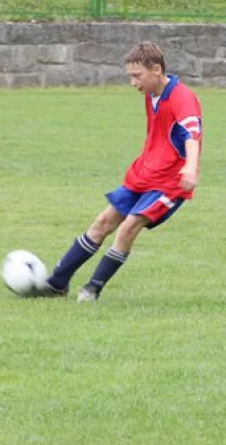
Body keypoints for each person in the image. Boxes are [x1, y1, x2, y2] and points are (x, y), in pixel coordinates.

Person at [40, 41, 202, 302]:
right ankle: (56, 284)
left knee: (129, 226)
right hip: (144, 174)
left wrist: (191, 168)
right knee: (102, 222)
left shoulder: (182, 98)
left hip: (169, 182)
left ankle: (92, 289)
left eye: (137, 76)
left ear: (157, 70)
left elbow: (192, 134)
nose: (133, 83)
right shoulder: (152, 94)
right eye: (130, 76)